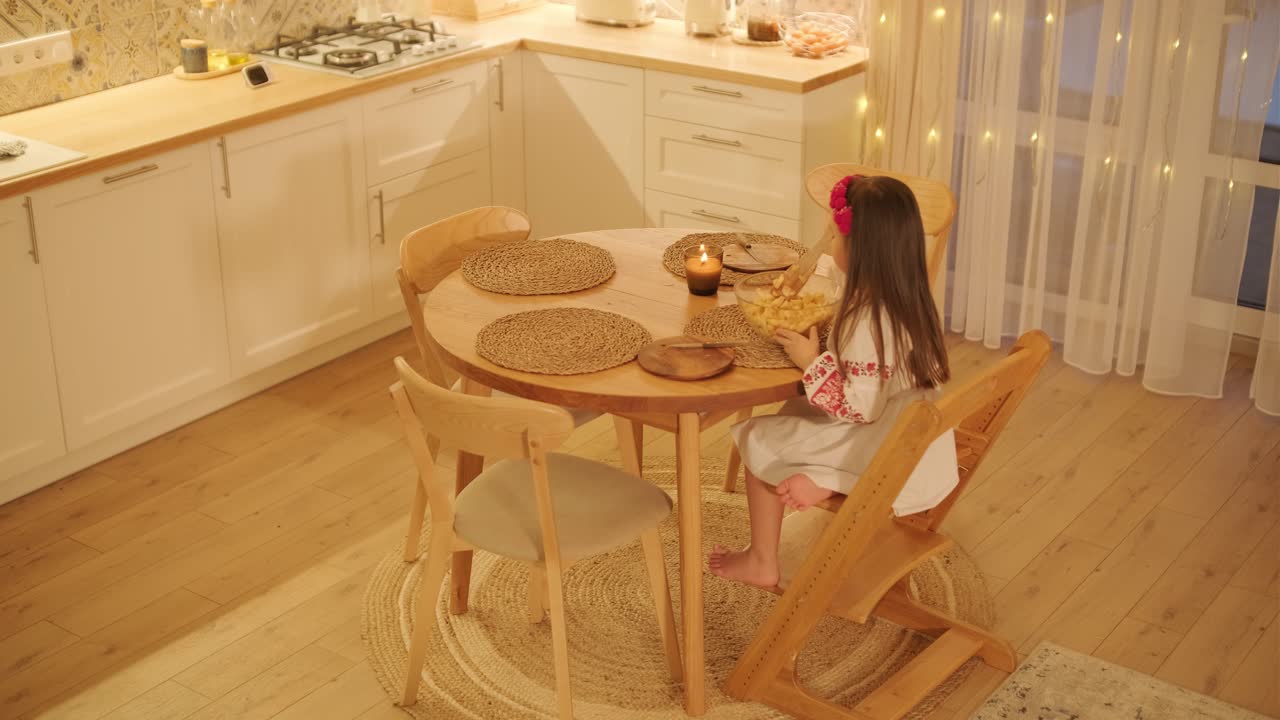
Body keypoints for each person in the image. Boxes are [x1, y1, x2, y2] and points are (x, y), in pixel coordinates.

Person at [709, 174, 960, 589]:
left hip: (880, 447)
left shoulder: (867, 321)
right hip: (912, 437)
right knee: (794, 411)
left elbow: (860, 408)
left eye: (834, 238)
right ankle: (821, 477)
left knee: (759, 441)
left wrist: (812, 361)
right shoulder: (906, 297)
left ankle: (766, 555)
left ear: (859, 249)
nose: (828, 245)